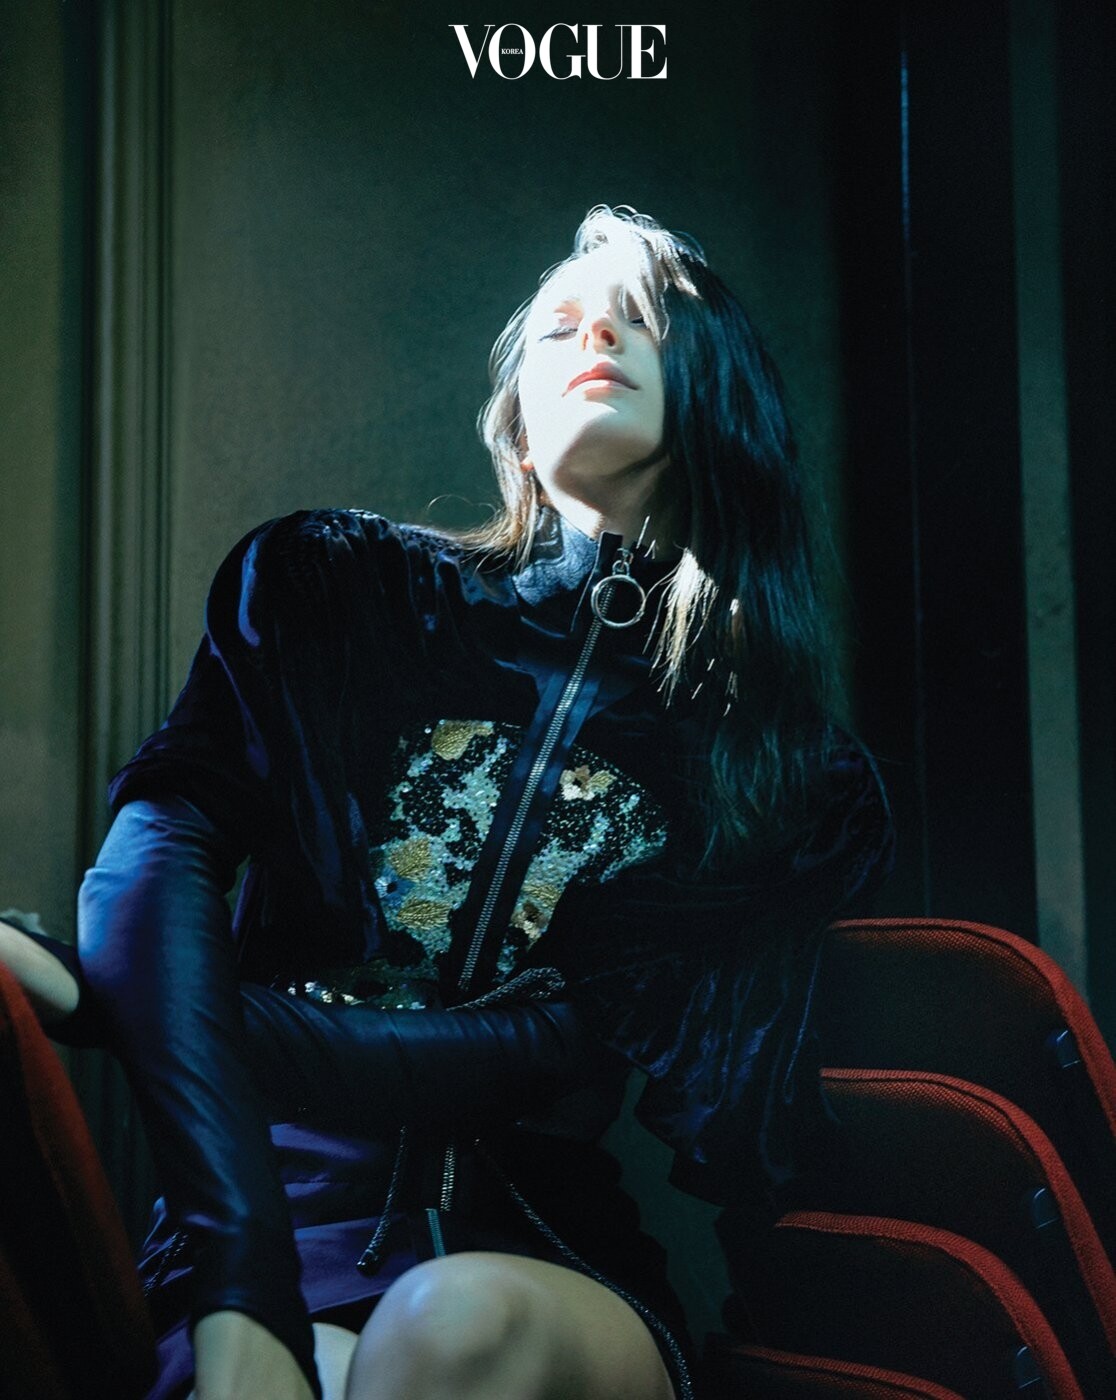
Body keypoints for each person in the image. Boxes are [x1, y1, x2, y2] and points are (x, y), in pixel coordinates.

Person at [0, 204, 894, 1400]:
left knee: (448, 1323)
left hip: (547, 1255)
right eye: (561, 323)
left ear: (723, 391)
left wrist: (113, 997)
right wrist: (245, 1288)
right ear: (517, 421)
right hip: (271, 1215)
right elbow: (156, 856)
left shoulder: (790, 775)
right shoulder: (336, 587)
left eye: (641, 319)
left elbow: (532, 1053)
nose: (594, 335)